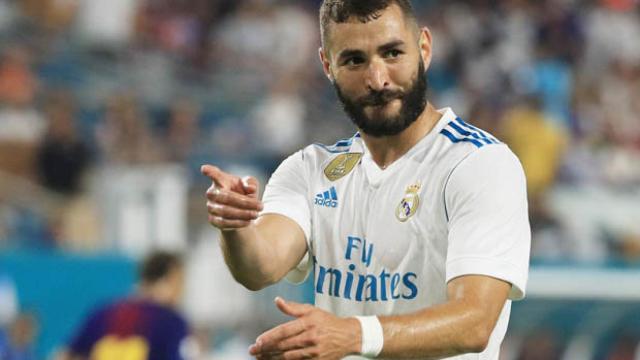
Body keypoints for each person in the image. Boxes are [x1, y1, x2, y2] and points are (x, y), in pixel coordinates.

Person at [201, 1, 530, 359]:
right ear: (328, 65)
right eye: (355, 60)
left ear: (424, 48)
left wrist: (354, 334)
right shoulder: (309, 169)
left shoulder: (478, 164)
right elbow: (259, 267)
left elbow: (475, 322)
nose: (377, 79)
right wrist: (234, 226)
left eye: (392, 53)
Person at [58, 251, 196, 360]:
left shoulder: (103, 313)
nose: (182, 291)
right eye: (181, 282)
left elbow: (64, 355)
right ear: (170, 279)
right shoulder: (172, 322)